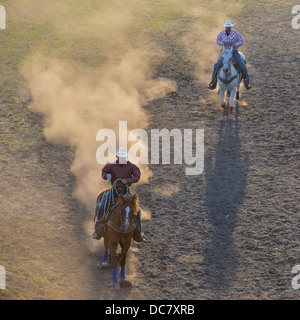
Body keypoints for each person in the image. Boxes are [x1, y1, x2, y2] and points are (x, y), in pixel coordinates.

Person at [92, 147, 145, 242]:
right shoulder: (111, 165)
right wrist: (106, 176)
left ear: (126, 157)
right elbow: (104, 172)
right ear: (117, 157)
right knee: (102, 206)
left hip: (126, 191)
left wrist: (127, 180)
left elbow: (137, 176)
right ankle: (97, 230)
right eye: (121, 157)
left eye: (124, 157)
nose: (122, 159)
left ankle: (139, 232)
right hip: (114, 190)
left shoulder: (132, 166)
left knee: (138, 211)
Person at [208, 20, 252, 90]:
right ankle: (213, 82)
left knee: (242, 64)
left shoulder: (236, 33)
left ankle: (246, 81)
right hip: (225, 53)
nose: (228, 28)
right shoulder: (221, 33)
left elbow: (241, 40)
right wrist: (222, 43)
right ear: (225, 27)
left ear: (231, 27)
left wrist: (235, 44)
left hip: (233, 52)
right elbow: (217, 41)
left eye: (229, 27)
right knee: (216, 65)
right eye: (227, 27)